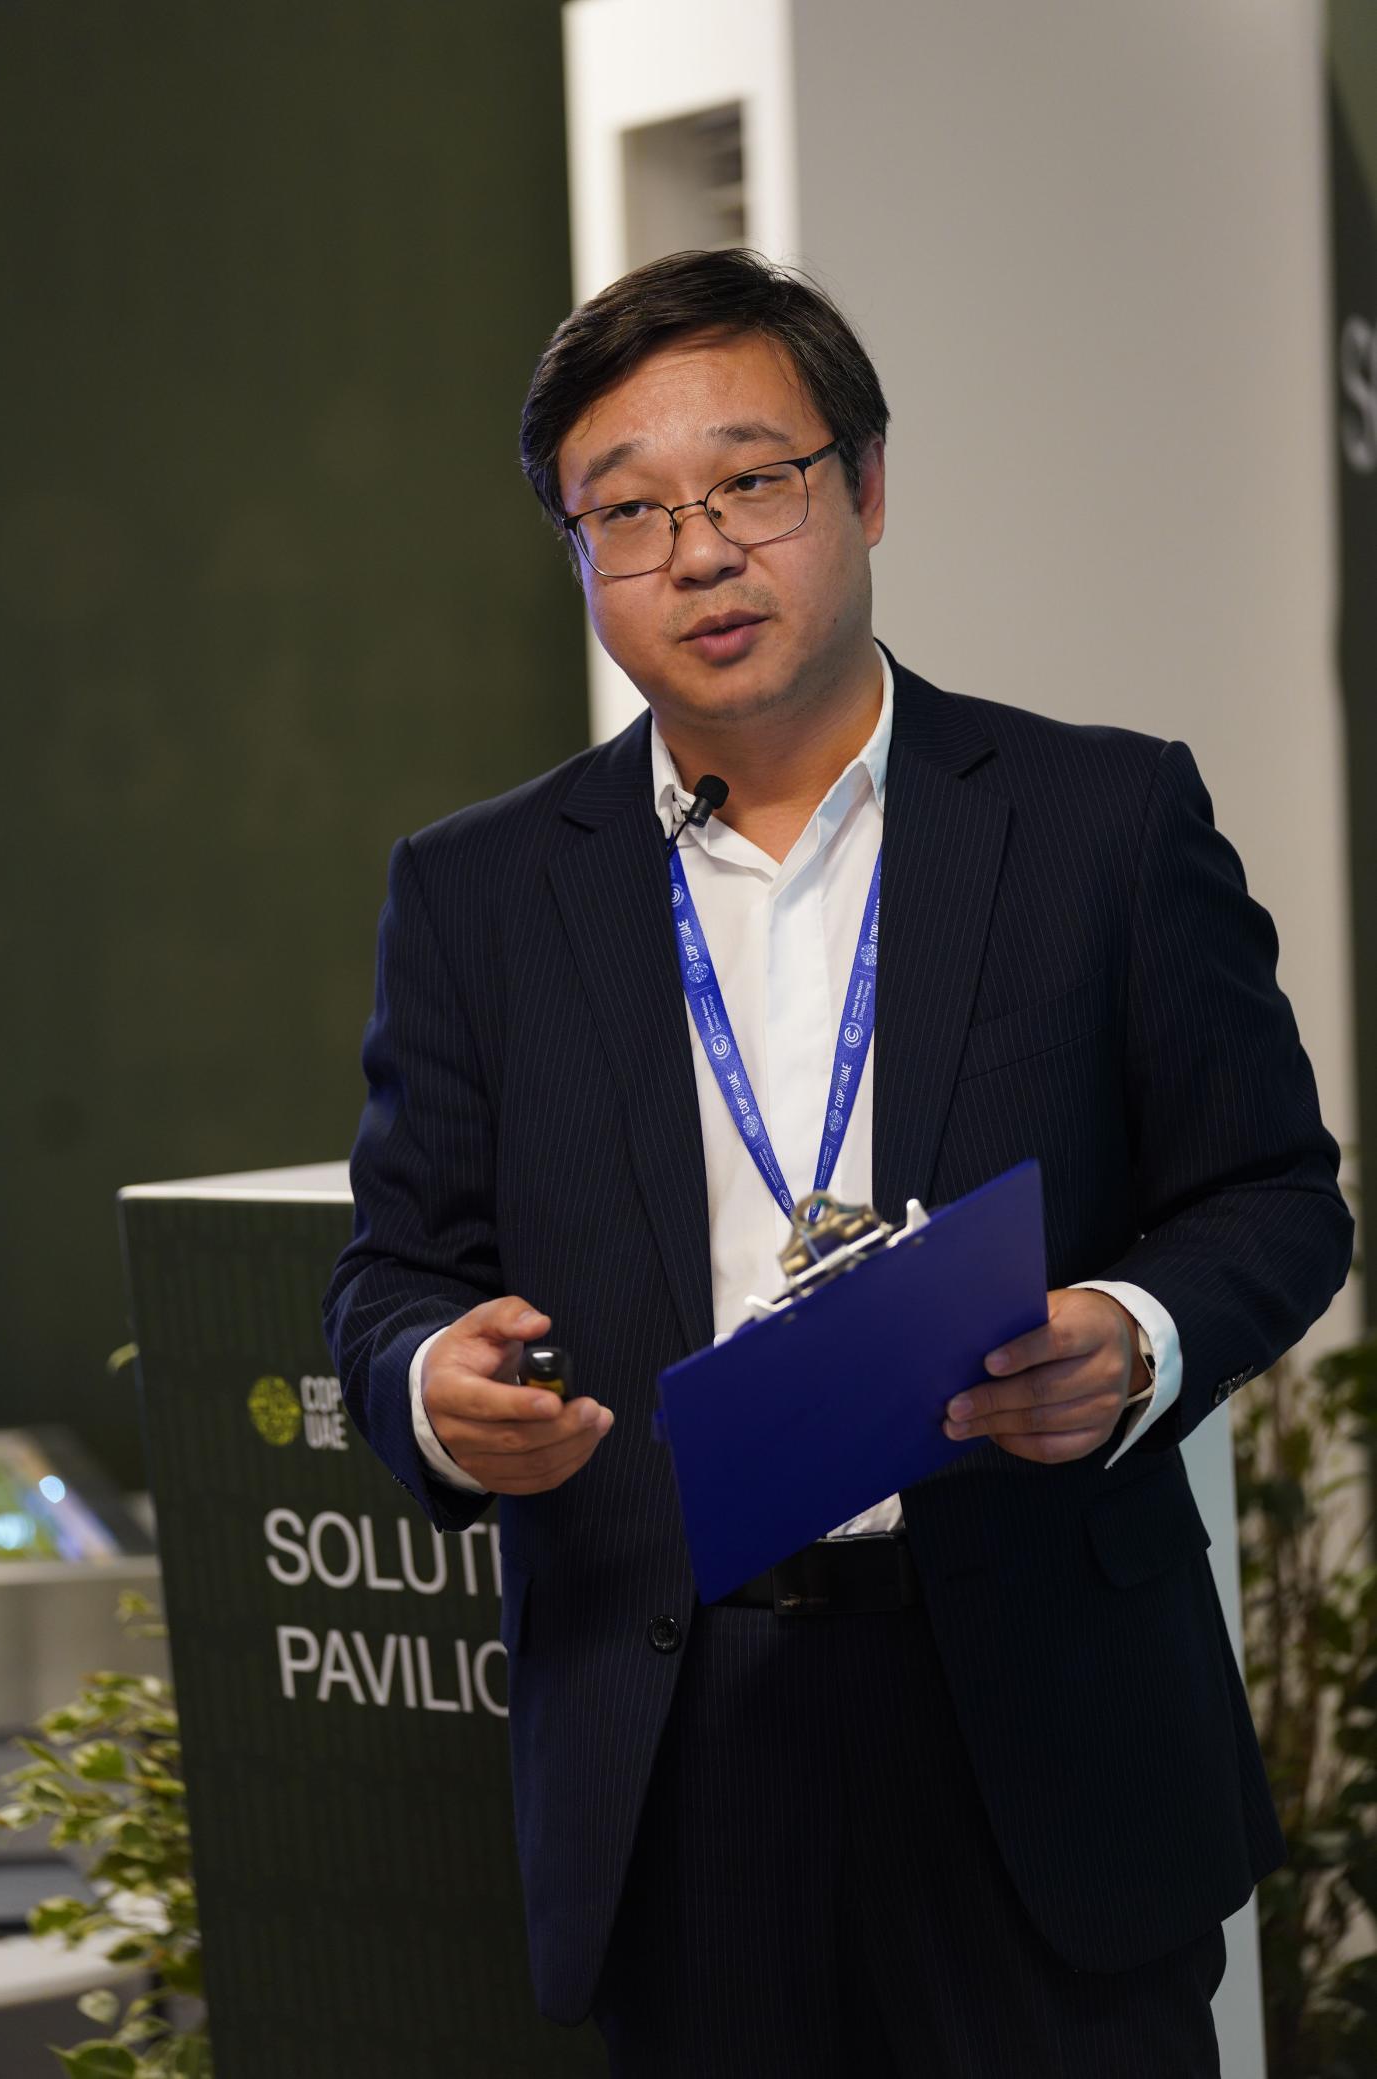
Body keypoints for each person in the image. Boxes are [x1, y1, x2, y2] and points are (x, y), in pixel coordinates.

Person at [322, 248, 1352, 2079]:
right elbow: (395, 1271)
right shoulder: (477, 892)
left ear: (865, 486)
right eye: (628, 512)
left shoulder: (1100, 821)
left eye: (751, 483)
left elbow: (1272, 1195)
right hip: (676, 1727)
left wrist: (1132, 1337)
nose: (698, 554)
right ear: (576, 553)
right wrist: (428, 1385)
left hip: (1036, 1709)